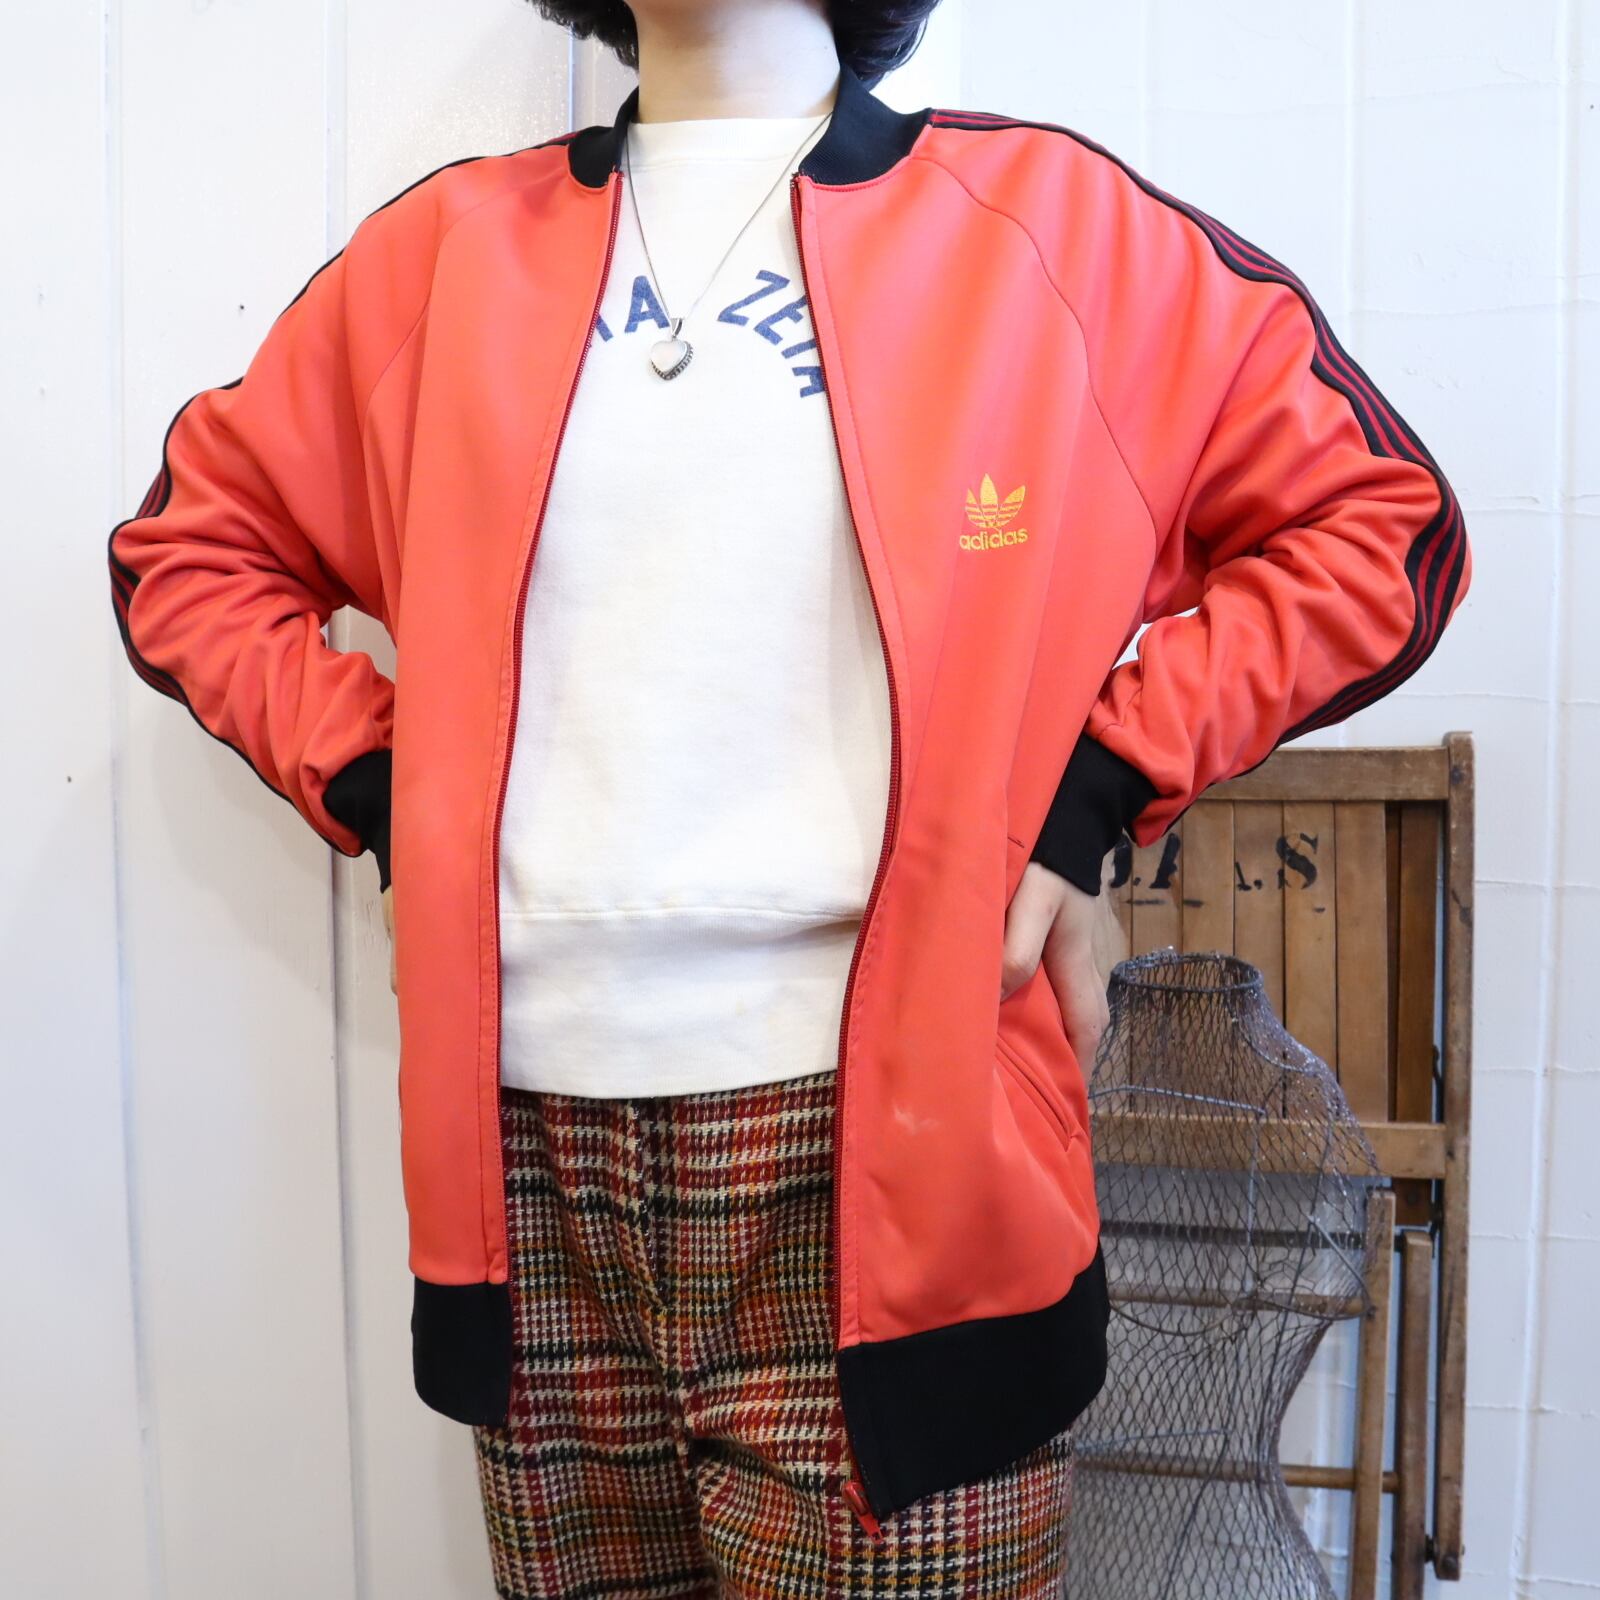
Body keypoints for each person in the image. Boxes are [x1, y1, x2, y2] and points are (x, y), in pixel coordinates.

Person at [106, 0, 1472, 1594]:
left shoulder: (1052, 234)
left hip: (901, 1157)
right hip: (532, 1168)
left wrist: (1095, 791)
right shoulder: (443, 261)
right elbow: (190, 555)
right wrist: (384, 784)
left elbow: (1377, 527)